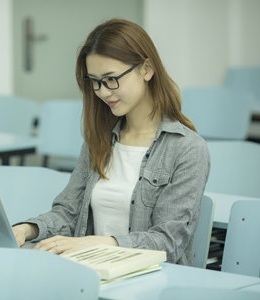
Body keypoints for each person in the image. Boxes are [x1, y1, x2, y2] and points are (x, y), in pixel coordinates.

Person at [12, 18, 210, 265]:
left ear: (146, 69)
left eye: (111, 79)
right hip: (93, 272)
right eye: (95, 81)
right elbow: (68, 211)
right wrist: (25, 229)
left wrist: (97, 242)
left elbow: (168, 241)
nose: (103, 92)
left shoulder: (187, 148)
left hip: (153, 279)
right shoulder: (100, 139)